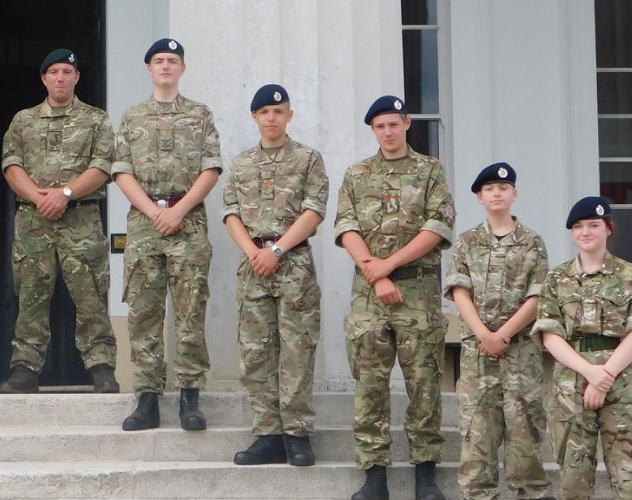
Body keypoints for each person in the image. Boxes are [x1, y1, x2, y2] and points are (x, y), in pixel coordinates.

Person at [333, 95, 454, 500]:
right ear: (373, 130)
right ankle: (374, 477)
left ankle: (425, 475)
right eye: (379, 126)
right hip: (369, 295)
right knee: (370, 384)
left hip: (417, 291)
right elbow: (346, 226)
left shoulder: (430, 170)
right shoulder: (357, 173)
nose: (387, 132)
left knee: (424, 383)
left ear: (406, 124)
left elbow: (437, 226)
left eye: (393, 124)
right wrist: (374, 269)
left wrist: (390, 266)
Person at [0, 48, 119, 394]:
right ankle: (25, 369)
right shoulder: (23, 120)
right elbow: (11, 164)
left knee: (90, 294)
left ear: (77, 77)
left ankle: (101, 368)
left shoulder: (96, 120)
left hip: (81, 219)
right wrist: (40, 198)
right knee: (31, 295)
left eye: (67, 71)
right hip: (34, 220)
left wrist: (64, 194)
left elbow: (102, 167)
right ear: (44, 78)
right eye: (54, 72)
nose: (61, 78)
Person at [112, 38, 220, 430]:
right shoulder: (132, 116)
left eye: (172, 61)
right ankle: (147, 398)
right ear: (148, 68)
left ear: (182, 69)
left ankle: (190, 397)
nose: (165, 66)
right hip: (145, 224)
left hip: (187, 220)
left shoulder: (201, 115)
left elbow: (210, 169)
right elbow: (121, 171)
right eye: (158, 60)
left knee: (191, 311)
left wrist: (177, 210)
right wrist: (153, 211)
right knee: (144, 312)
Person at [222, 83, 327, 465]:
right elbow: (230, 212)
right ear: (254, 117)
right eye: (264, 112)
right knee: (256, 353)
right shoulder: (242, 163)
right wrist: (254, 252)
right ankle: (267, 433)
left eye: (278, 111)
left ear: (289, 115)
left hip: (293, 263)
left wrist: (278, 250)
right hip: (253, 266)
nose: (271, 118)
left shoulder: (308, 158)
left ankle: (296, 433)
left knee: (297, 350)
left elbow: (314, 210)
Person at [443, 162, 554, 499]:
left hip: (520, 352)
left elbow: (539, 295)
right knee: (477, 438)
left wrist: (503, 333)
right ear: (479, 197)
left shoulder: (533, 242)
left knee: (525, 437)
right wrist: (484, 335)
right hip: (478, 354)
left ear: (514, 194)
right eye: (489, 189)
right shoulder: (467, 242)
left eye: (503, 188)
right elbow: (458, 291)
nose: (496, 193)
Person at [535, 196, 632, 500]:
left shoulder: (628, 275)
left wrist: (605, 376)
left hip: (622, 384)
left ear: (608, 229)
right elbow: (550, 336)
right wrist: (590, 372)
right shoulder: (557, 279)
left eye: (593, 225)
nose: (585, 231)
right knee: (574, 480)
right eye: (578, 226)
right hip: (571, 384)